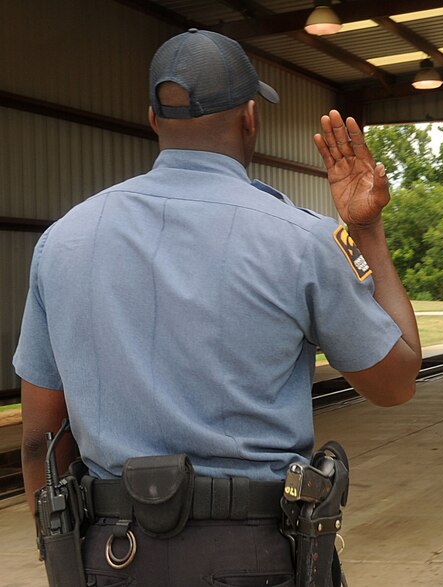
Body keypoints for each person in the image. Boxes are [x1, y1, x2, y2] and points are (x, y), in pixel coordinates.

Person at [14, 28, 420, 586]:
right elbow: (396, 380)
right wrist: (367, 229)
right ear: (251, 117)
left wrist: (63, 556)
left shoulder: (62, 242)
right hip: (253, 558)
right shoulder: (302, 241)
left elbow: (40, 439)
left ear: (154, 120)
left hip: (111, 557)